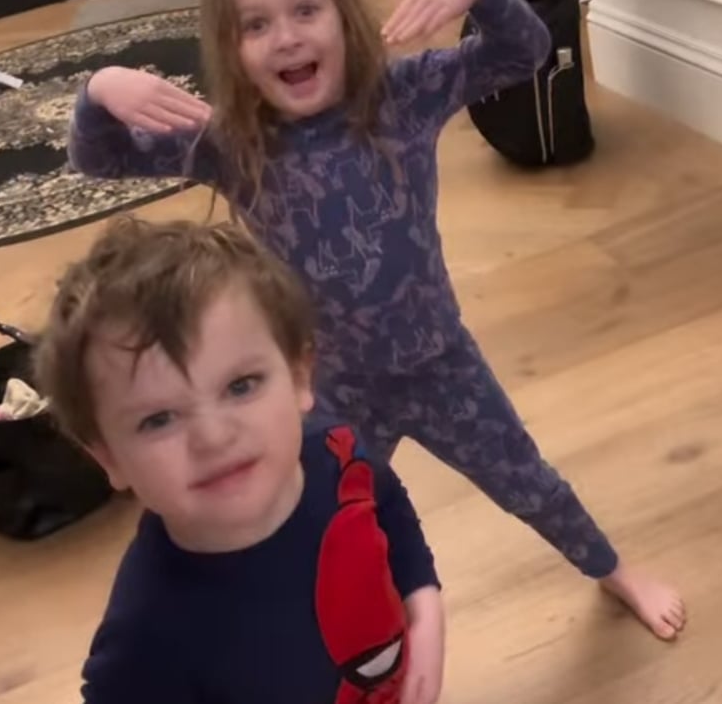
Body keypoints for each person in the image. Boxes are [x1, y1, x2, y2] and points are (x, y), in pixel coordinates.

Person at [65, 0, 686, 639]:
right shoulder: (231, 140)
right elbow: (99, 158)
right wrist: (99, 90)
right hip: (327, 389)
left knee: (529, 482)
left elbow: (524, 51)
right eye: (255, 25)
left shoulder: (405, 95)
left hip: (441, 363)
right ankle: (345, 638)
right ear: (229, 49)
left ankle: (612, 569)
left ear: (345, 16)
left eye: (306, 9)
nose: (287, 38)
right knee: (327, 522)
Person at [32, 216, 445, 704]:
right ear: (108, 458)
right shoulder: (146, 634)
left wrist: (424, 605)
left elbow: (390, 511)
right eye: (158, 419)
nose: (213, 437)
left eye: (241, 386)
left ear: (299, 377)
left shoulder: (338, 453)